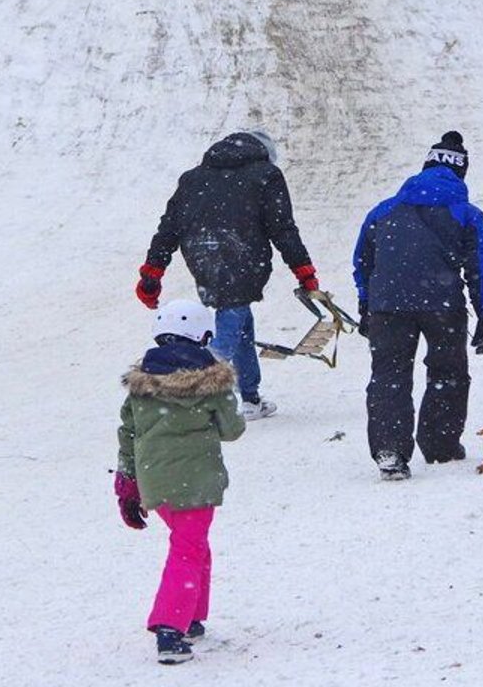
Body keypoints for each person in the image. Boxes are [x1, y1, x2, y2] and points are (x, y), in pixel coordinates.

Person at [137, 131, 319, 420]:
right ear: (265, 153)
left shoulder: (193, 178)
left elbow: (168, 228)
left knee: (239, 318)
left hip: (201, 252)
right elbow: (282, 228)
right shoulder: (266, 175)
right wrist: (304, 270)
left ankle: (250, 396)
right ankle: (193, 388)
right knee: (232, 318)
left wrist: (152, 272)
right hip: (243, 253)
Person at [351, 131, 483, 480]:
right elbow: (479, 267)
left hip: (388, 306)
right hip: (442, 303)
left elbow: (363, 261)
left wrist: (366, 305)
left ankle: (390, 449)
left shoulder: (383, 210)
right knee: (447, 371)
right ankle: (440, 444)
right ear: (461, 173)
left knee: (389, 375)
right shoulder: (466, 213)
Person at [114, 299, 246, 665]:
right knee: (187, 549)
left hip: (155, 482)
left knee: (193, 544)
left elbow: (128, 433)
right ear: (201, 336)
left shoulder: (142, 386)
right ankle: (170, 630)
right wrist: (227, 397)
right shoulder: (212, 381)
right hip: (197, 481)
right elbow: (232, 430)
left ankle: (191, 617)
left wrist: (127, 481)